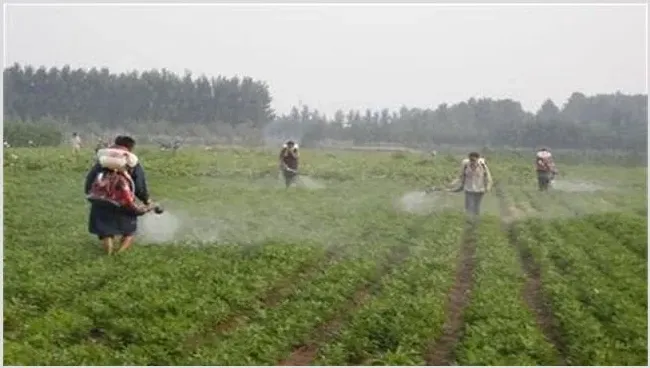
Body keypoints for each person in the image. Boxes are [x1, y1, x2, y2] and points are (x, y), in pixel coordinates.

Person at [84, 135, 154, 255]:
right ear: (130, 147)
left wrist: (89, 192)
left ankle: (108, 255)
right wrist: (146, 200)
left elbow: (91, 178)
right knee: (129, 232)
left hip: (101, 200)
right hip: (123, 201)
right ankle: (119, 255)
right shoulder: (131, 162)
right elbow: (139, 186)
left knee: (106, 232)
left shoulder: (103, 160)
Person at [447, 152, 493, 217]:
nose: (472, 162)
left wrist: (488, 187)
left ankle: (475, 221)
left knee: (476, 207)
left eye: (474, 160)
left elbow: (488, 177)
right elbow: (460, 176)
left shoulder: (483, 165)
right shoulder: (465, 165)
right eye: (471, 160)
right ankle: (469, 220)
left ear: (477, 159)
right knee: (469, 207)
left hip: (480, 190)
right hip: (469, 189)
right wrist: (453, 183)